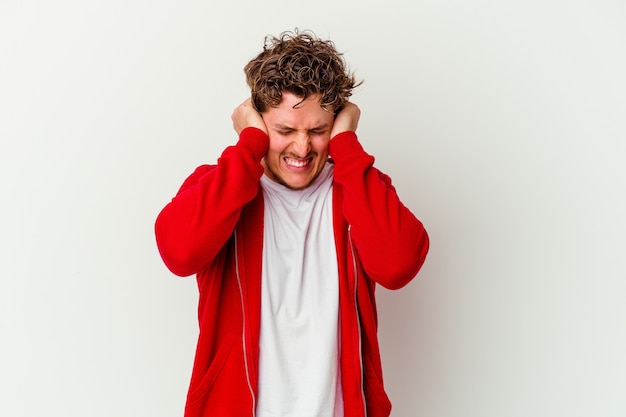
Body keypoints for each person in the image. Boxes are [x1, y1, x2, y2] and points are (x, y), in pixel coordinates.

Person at [155, 30, 429, 417]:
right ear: (258, 120)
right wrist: (247, 146)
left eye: (317, 131)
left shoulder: (357, 188)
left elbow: (397, 265)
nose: (302, 148)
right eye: (284, 131)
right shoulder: (221, 186)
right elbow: (179, 253)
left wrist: (347, 145)